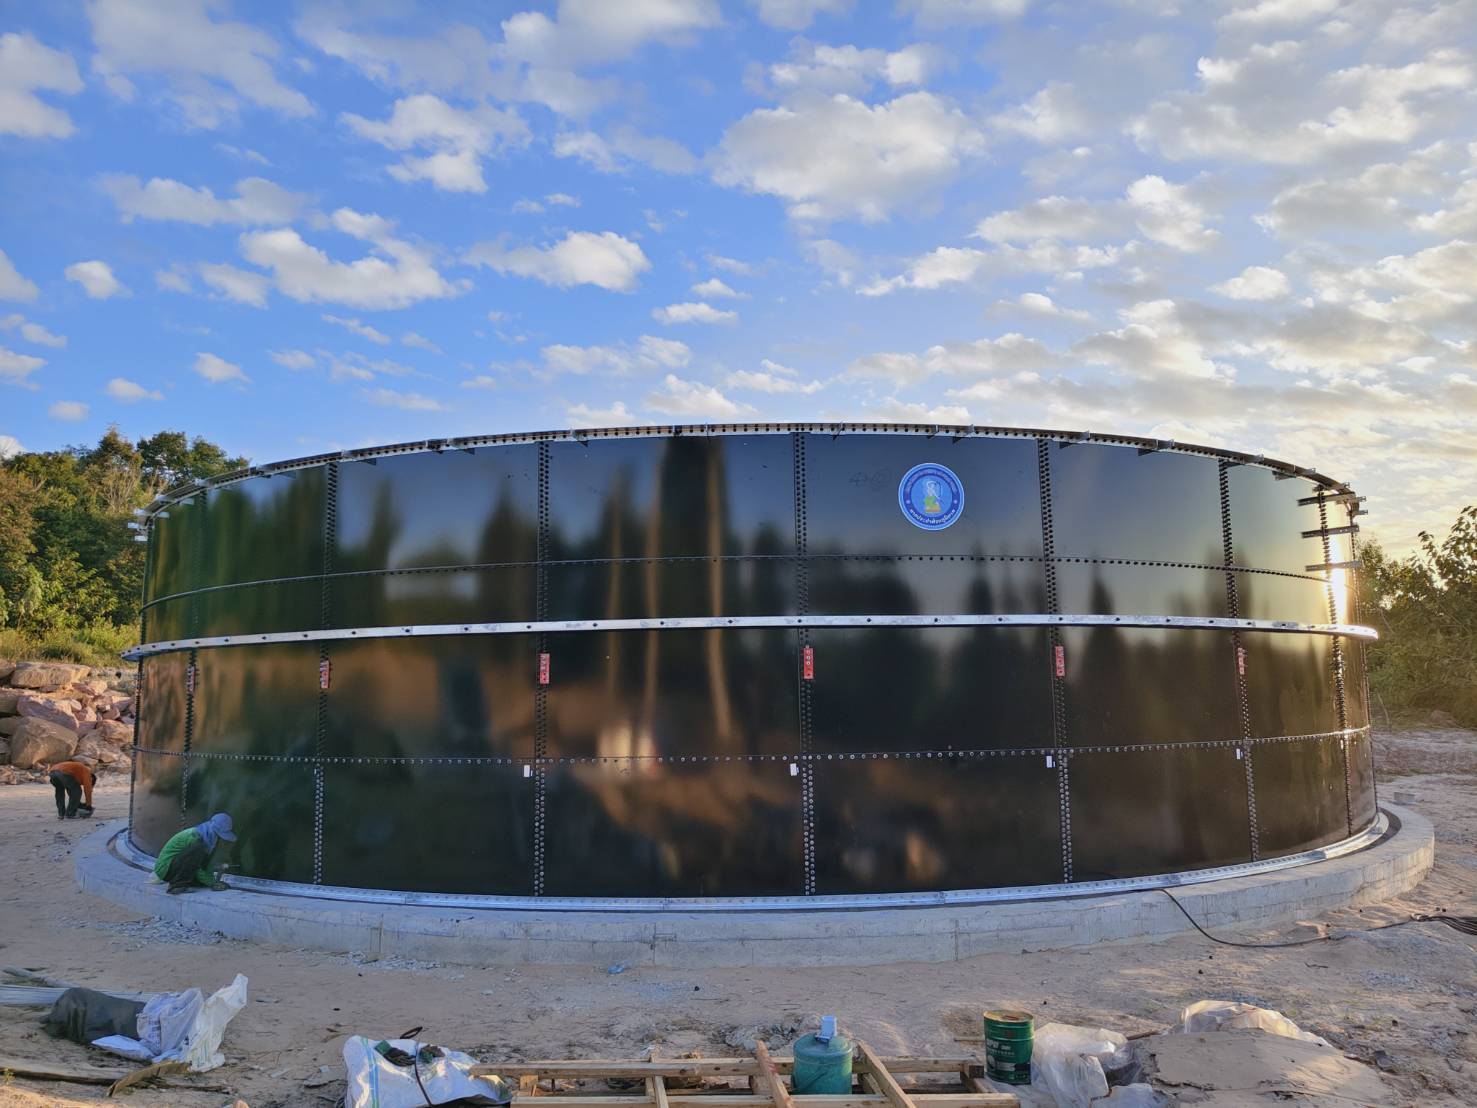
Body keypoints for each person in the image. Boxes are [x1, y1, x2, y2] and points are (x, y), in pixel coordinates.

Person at [153, 813, 236, 894]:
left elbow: (202, 866)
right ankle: (177, 886)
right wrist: (212, 883)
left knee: (202, 883)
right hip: (166, 870)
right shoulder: (194, 837)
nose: (218, 838)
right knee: (198, 848)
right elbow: (195, 866)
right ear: (215, 831)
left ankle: (181, 882)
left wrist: (213, 881)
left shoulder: (206, 837)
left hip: (176, 868)